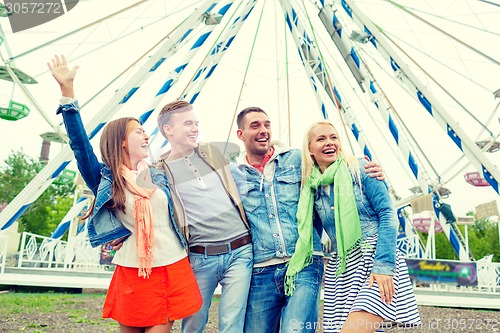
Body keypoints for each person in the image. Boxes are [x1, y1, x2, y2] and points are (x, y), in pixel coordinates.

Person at [47, 55, 202, 333]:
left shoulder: (159, 173)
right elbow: (80, 146)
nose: (146, 136)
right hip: (133, 270)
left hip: (171, 265)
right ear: (121, 141)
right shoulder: (106, 179)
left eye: (145, 132)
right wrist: (67, 95)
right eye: (139, 132)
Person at [229, 107, 385, 333]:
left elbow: (333, 158)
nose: (263, 130)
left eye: (267, 124)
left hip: (303, 262)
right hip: (261, 270)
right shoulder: (232, 174)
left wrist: (366, 167)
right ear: (240, 135)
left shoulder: (297, 159)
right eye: (255, 126)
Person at [286, 120, 421, 333]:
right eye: (321, 139)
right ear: (310, 149)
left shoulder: (361, 169)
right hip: (343, 268)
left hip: (375, 259)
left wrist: (383, 266)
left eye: (333, 137)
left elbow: (388, 214)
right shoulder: (313, 187)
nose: (329, 143)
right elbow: (312, 231)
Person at [155, 101, 253, 333]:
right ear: (168, 130)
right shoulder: (160, 171)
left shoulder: (212, 152)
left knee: (232, 324)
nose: (195, 128)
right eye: (188, 124)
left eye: (196, 123)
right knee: (193, 323)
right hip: (200, 258)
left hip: (240, 251)